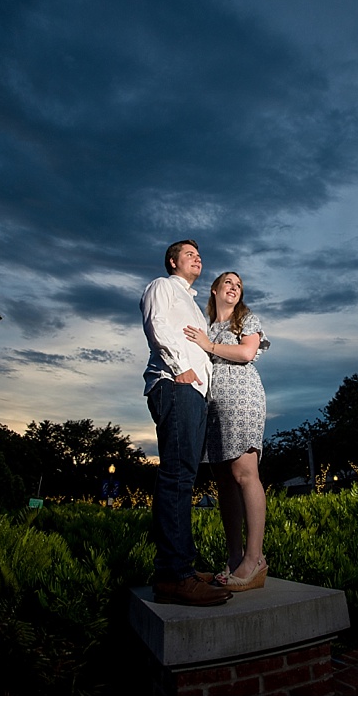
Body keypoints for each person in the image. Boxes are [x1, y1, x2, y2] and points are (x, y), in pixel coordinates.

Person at [140, 240, 232, 607]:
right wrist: (182, 370)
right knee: (177, 475)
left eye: (199, 254)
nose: (197, 257)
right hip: (174, 384)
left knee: (186, 476)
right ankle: (173, 575)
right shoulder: (162, 287)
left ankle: (183, 568)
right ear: (172, 261)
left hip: (194, 392)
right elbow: (156, 325)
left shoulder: (193, 304)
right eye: (189, 254)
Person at [184, 271, 270, 592]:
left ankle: (254, 559)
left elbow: (247, 353)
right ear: (215, 289)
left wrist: (208, 345)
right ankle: (234, 558)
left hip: (242, 397)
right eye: (228, 283)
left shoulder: (245, 319)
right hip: (214, 405)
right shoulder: (206, 325)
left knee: (245, 473)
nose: (233, 288)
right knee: (223, 480)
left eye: (238, 285)